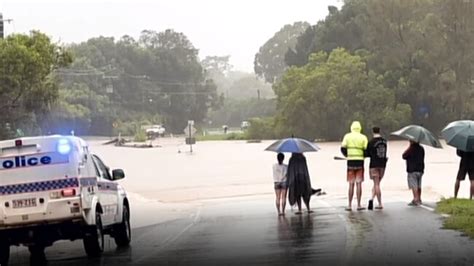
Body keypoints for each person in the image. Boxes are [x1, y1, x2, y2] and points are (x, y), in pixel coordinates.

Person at [341, 121, 368, 211]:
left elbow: (343, 148)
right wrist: (362, 156)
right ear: (360, 128)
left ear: (351, 127)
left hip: (350, 162)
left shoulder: (347, 136)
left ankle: (349, 205)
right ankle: (359, 205)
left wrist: (347, 155)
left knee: (351, 184)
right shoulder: (363, 137)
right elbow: (366, 150)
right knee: (359, 183)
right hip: (360, 162)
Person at [366, 127, 388, 210]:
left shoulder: (371, 142)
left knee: (376, 184)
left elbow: (367, 154)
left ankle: (379, 203)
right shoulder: (384, 141)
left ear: (373, 132)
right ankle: (371, 198)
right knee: (377, 184)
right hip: (382, 164)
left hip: (374, 164)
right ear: (380, 131)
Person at [402, 140, 425, 206]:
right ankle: (419, 198)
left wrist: (409, 147)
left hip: (412, 170)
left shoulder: (411, 149)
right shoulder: (421, 148)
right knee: (419, 185)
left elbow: (404, 156)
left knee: (414, 185)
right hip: (420, 169)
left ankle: (415, 199)